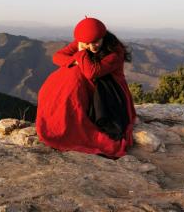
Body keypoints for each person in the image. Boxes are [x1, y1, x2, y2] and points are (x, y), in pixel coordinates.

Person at [36, 16, 136, 158]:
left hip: (110, 91)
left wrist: (81, 53)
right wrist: (76, 60)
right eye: (86, 44)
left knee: (76, 73)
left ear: (103, 37)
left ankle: (74, 121)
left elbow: (92, 72)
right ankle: (60, 121)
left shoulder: (115, 51)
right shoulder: (82, 42)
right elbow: (57, 57)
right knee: (69, 73)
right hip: (92, 84)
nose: (91, 47)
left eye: (95, 42)